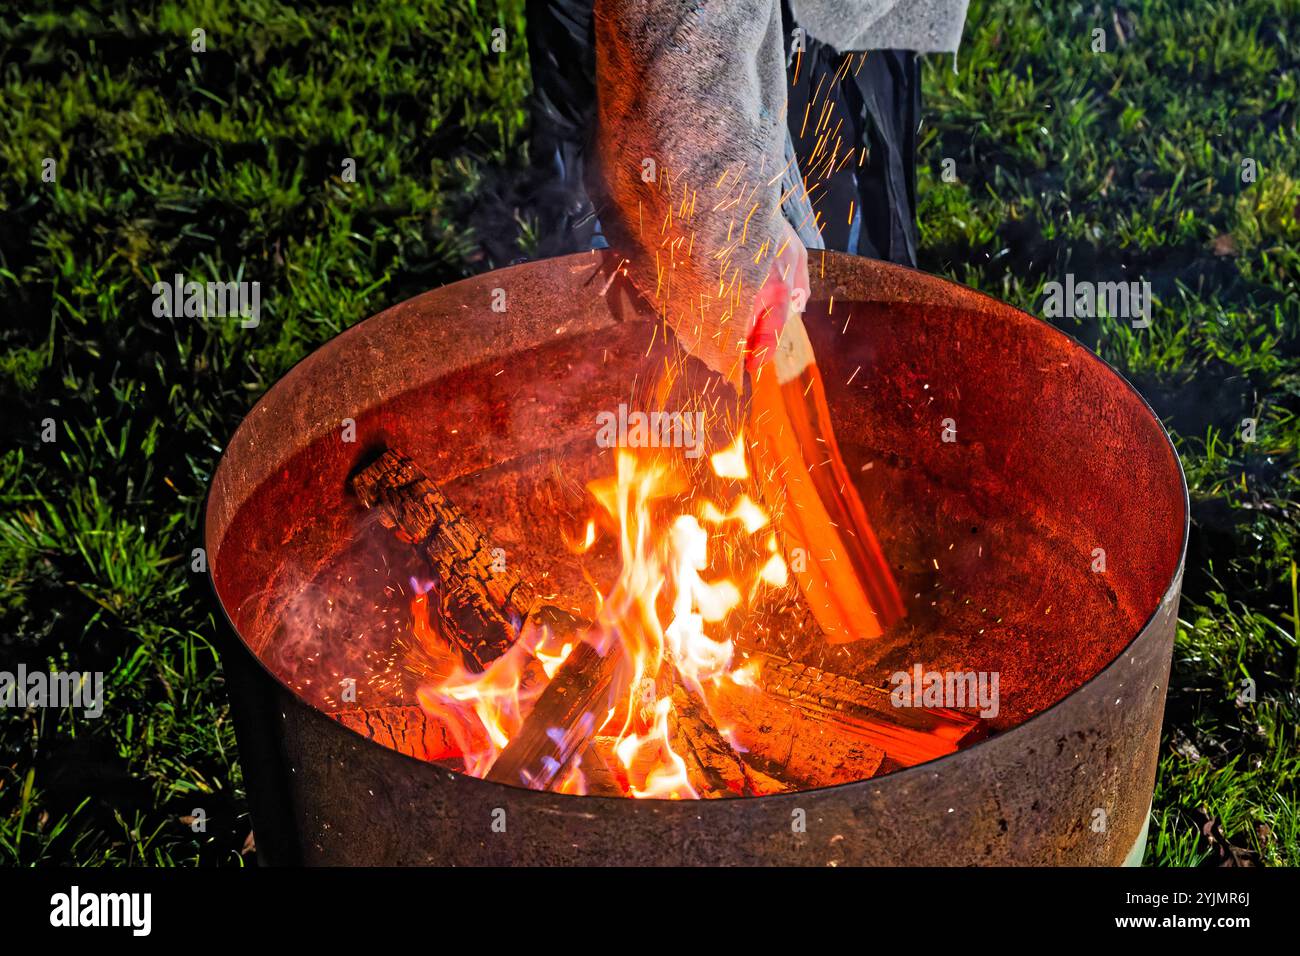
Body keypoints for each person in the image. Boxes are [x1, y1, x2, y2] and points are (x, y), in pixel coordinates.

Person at [526, 0, 968, 384]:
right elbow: (688, 34)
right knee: (633, 340)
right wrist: (732, 227)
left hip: (834, 30)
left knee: (841, 324)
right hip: (677, 51)